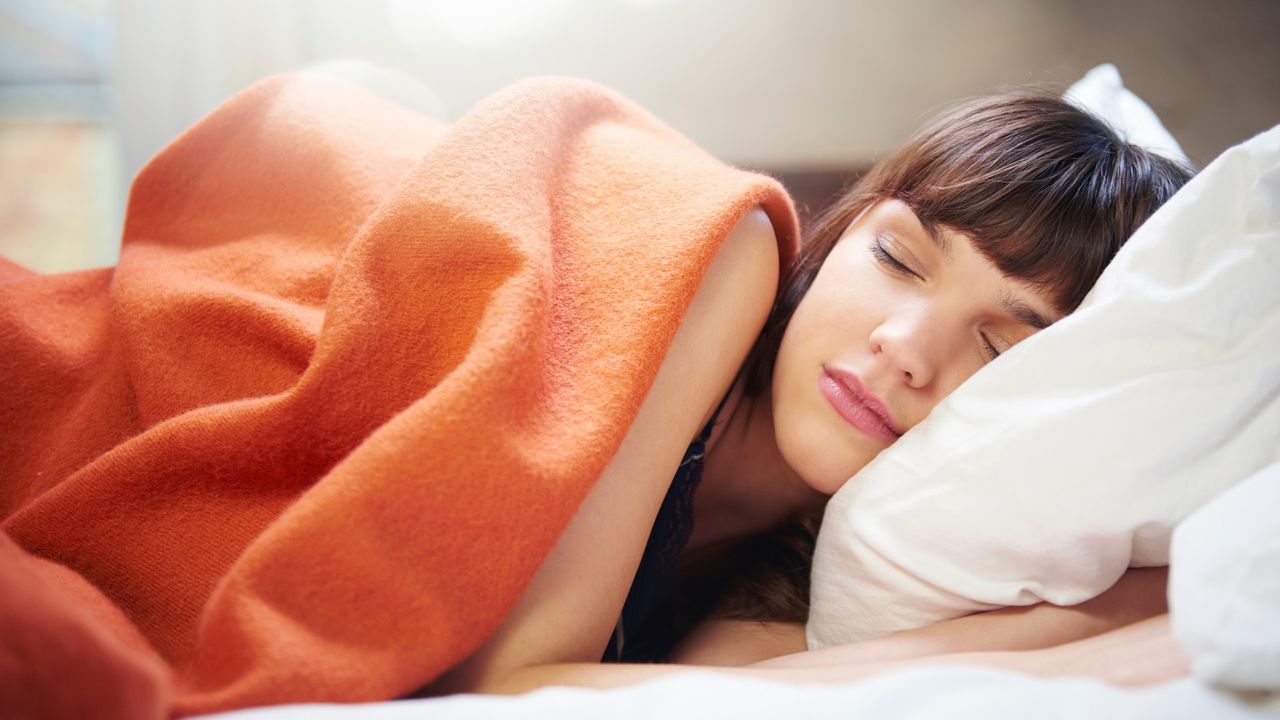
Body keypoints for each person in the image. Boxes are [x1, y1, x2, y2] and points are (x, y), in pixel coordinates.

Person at [419, 89, 1193, 696]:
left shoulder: (824, 584)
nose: (906, 346)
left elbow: (744, 696)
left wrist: (1134, 608)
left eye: (997, 346)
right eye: (897, 257)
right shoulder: (729, 259)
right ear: (842, 232)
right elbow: (503, 687)